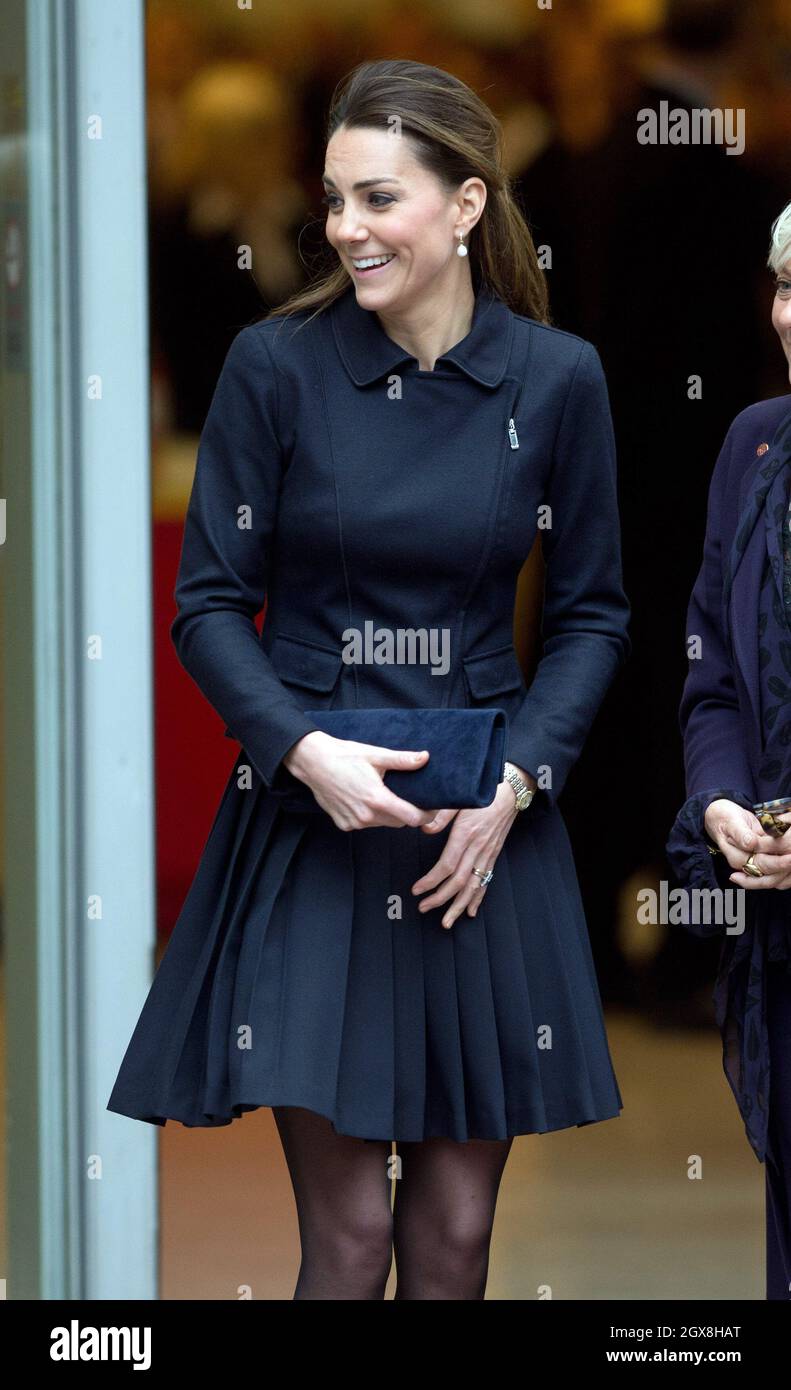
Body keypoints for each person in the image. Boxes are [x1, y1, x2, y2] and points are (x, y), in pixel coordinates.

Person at [107, 58, 630, 1301]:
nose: (344, 227)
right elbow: (209, 605)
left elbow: (593, 614)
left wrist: (516, 780)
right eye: (333, 199)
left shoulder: (558, 381)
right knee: (344, 1248)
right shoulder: (272, 369)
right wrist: (301, 749)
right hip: (312, 828)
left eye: (377, 198)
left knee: (450, 1247)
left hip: (478, 839)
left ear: (463, 208)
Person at [666, 199, 791, 1300]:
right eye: (788, 285)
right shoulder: (751, 444)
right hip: (778, 925)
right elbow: (709, 673)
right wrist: (718, 801)